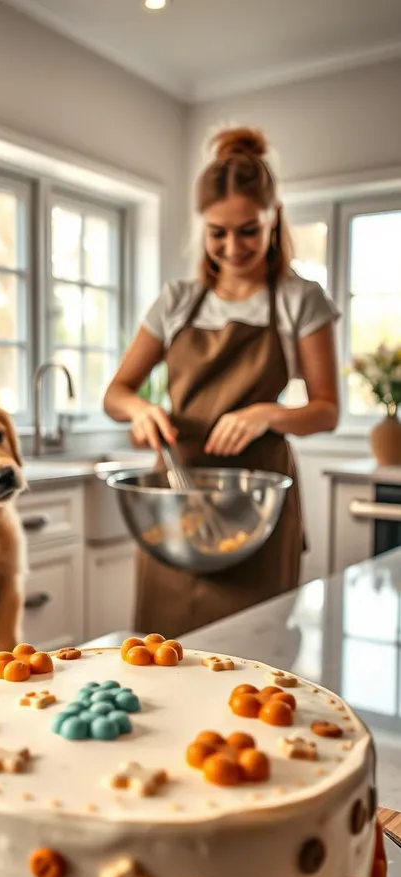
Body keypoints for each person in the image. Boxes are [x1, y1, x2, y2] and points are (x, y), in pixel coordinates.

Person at [103, 126, 339, 638]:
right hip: (176, 502)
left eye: (248, 230)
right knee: (164, 654)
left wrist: (266, 414)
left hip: (256, 506)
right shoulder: (177, 300)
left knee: (255, 650)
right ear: (203, 226)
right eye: (218, 232)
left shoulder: (301, 299)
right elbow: (116, 394)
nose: (232, 247)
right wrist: (141, 411)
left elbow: (326, 410)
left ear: (273, 219)